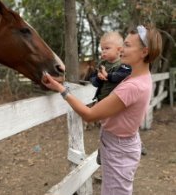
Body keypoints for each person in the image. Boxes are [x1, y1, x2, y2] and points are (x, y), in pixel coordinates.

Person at [42, 24, 162, 195]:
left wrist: (61, 89)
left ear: (144, 52)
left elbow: (89, 115)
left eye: (127, 46)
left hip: (118, 149)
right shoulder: (141, 76)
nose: (121, 50)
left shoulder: (133, 86)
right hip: (120, 144)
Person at [89, 31, 132, 165]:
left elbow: (122, 75)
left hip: (116, 102)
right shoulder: (102, 64)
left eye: (107, 48)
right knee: (105, 127)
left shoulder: (123, 64)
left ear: (119, 50)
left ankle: (131, 146)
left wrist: (108, 76)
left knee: (118, 127)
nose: (103, 51)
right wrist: (98, 78)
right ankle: (103, 150)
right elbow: (94, 81)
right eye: (102, 49)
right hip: (102, 101)